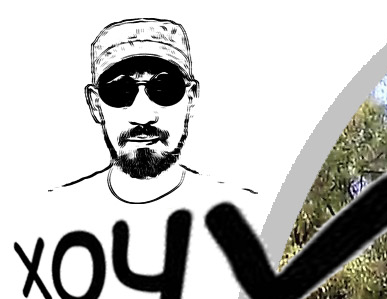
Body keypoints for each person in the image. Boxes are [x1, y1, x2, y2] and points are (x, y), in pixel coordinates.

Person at [53, 17, 257, 209]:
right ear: (95, 104)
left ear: (191, 98)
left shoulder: (251, 214)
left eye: (164, 89)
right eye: (120, 91)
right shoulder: (51, 214)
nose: (143, 116)